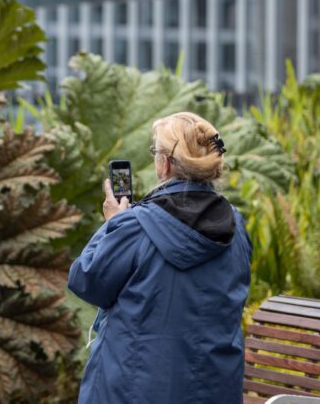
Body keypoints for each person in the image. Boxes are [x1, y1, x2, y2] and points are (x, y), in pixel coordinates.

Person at [68, 112, 252, 404]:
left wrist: (112, 224)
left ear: (164, 163)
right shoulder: (236, 225)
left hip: (136, 390)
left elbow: (86, 279)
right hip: (215, 389)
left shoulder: (135, 226)